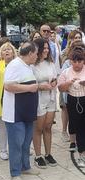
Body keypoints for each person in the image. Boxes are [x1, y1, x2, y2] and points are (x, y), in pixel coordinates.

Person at [2, 42, 40, 180]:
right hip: (15, 113)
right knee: (16, 144)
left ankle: (25, 166)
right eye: (36, 53)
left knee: (25, 143)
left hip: (27, 112)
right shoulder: (14, 65)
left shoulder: (28, 66)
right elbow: (8, 86)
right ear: (30, 53)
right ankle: (15, 172)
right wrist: (30, 88)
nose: (37, 56)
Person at [32, 38, 58, 169]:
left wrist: (54, 82)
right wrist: (40, 86)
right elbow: (30, 84)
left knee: (48, 127)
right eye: (45, 48)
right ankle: (38, 155)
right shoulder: (32, 65)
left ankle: (48, 154)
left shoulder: (51, 64)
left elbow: (55, 78)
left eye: (48, 48)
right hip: (38, 99)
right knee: (38, 128)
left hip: (51, 98)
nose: (47, 50)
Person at [58, 45, 85, 167]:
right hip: (72, 99)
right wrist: (68, 83)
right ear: (71, 61)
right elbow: (60, 88)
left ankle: (82, 152)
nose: (77, 64)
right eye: (75, 61)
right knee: (74, 123)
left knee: (82, 126)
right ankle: (76, 145)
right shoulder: (66, 72)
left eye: (80, 61)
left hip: (84, 98)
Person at [0, 42, 17, 160]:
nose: (7, 51)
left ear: (13, 52)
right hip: (1, 99)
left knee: (15, 126)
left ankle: (16, 148)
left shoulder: (18, 64)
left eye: (9, 49)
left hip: (15, 98)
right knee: (2, 127)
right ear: (1, 53)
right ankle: (3, 150)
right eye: (4, 50)